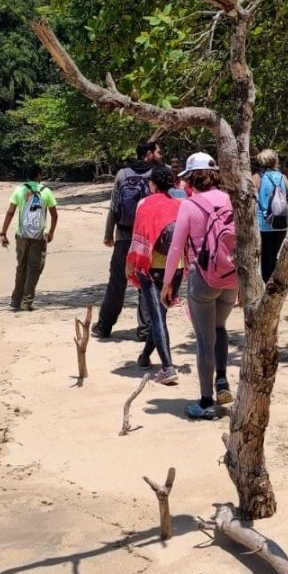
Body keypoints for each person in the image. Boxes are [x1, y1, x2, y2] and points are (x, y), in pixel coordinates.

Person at [163, 152, 238, 419]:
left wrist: (167, 283)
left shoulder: (189, 205)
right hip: (231, 275)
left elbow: (175, 249)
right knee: (220, 328)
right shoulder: (232, 200)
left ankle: (206, 401)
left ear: (190, 178)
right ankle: (222, 380)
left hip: (202, 277)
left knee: (205, 340)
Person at [92, 140, 163, 340]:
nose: (160, 154)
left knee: (117, 282)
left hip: (123, 236)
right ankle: (145, 329)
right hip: (148, 238)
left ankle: (104, 326)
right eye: (158, 151)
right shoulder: (156, 175)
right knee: (146, 282)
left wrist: (108, 234)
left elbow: (114, 207)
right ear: (149, 153)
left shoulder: (123, 174)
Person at [126, 165, 184, 385]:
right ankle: (145, 356)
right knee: (160, 314)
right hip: (176, 268)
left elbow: (139, 235)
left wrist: (131, 263)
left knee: (157, 317)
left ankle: (168, 368)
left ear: (152, 184)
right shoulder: (178, 205)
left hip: (151, 268)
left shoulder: (145, 203)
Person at [0, 168, 58, 311]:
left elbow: (10, 212)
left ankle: (15, 300)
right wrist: (51, 232)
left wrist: (3, 232)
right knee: (35, 268)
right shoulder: (46, 191)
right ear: (39, 176)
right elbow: (54, 215)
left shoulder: (19, 190)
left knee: (21, 267)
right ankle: (27, 302)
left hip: (22, 235)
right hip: (39, 236)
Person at [253, 148, 288, 282]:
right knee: (274, 254)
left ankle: (267, 284)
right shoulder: (283, 178)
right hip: (281, 223)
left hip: (263, 224)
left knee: (266, 256)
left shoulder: (256, 178)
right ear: (275, 162)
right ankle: (274, 281)